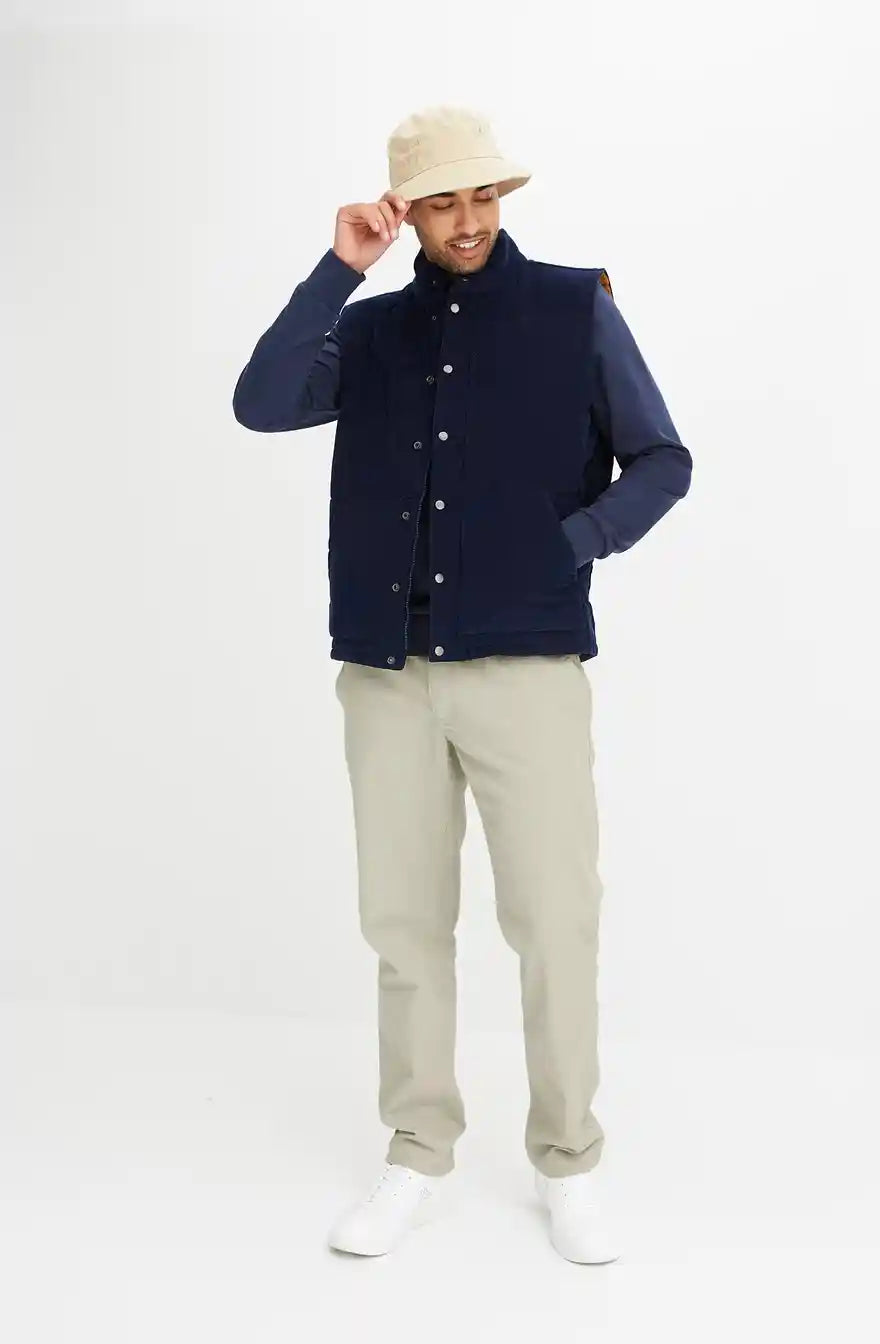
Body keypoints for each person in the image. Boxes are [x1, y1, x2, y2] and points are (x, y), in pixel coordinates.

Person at [233, 104, 692, 1263]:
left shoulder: (572, 308)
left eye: (483, 196)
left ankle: (569, 1161)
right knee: (403, 925)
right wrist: (338, 270)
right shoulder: (371, 331)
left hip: (526, 666)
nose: (470, 220)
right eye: (442, 202)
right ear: (408, 212)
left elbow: (662, 458)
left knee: (554, 921)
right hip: (387, 673)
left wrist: (572, 543)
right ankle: (417, 1152)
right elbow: (261, 400)